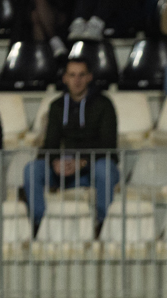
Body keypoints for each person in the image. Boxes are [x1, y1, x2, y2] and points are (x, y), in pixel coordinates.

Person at [24, 57, 119, 230]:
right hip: (64, 171)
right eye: (72, 75)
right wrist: (55, 162)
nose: (77, 80)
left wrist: (81, 162)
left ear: (89, 77)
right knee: (32, 169)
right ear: (65, 78)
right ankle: (41, 226)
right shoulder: (57, 106)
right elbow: (50, 145)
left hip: (93, 169)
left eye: (81, 75)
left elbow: (108, 145)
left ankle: (104, 227)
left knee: (104, 168)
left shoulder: (104, 104)